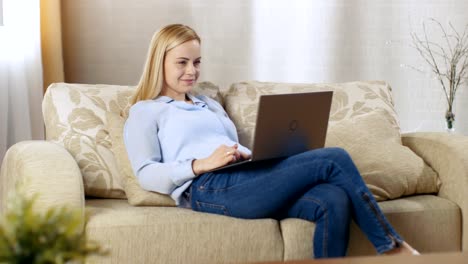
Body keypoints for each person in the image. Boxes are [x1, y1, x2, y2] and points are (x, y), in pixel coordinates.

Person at [124, 24, 419, 258]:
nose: (192, 71)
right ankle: (391, 246)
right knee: (333, 157)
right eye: (182, 62)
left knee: (332, 198)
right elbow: (146, 173)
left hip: (244, 176)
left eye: (197, 62)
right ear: (158, 62)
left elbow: (231, 146)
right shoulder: (145, 111)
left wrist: (257, 154)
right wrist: (200, 164)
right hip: (209, 187)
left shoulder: (208, 103)